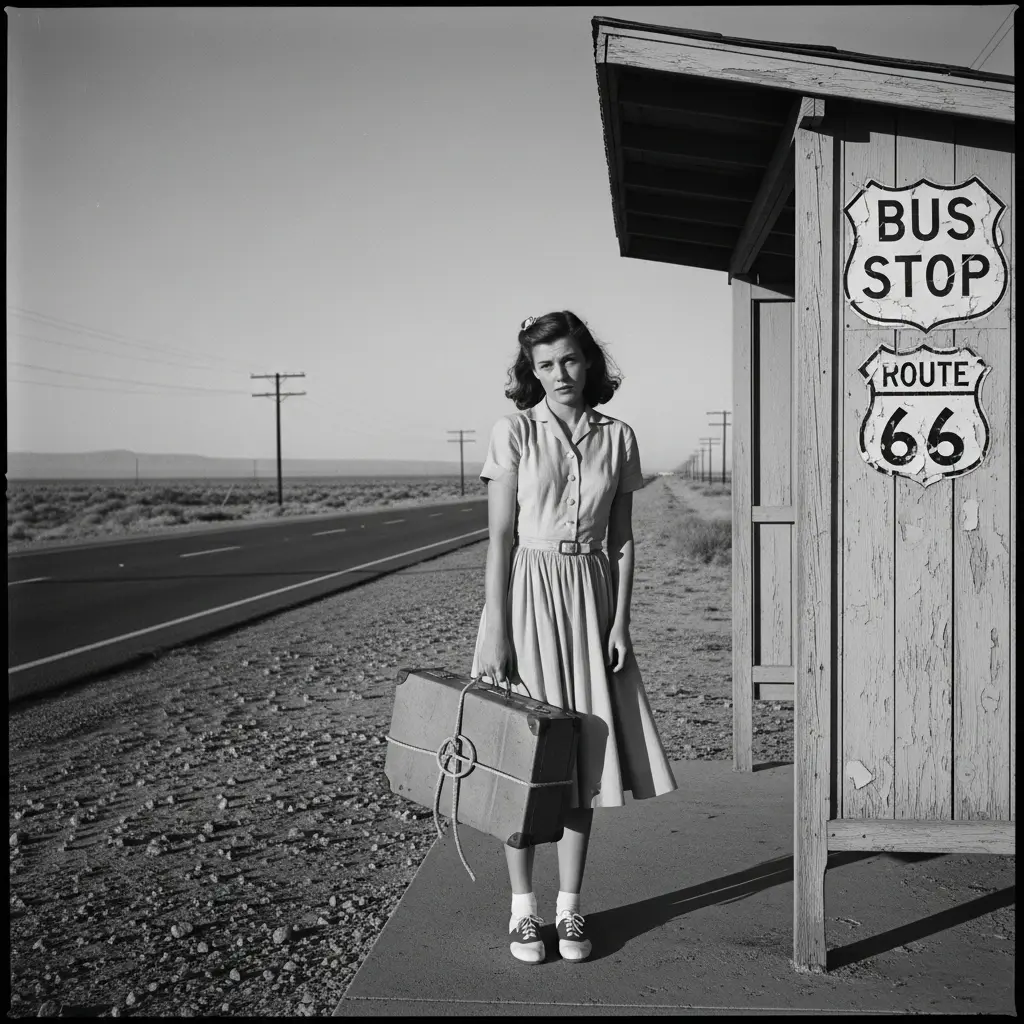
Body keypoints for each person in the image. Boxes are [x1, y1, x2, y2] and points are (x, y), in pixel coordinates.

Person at [471, 310, 677, 965]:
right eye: (545, 364)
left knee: (583, 757)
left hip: (591, 599)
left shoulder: (618, 437)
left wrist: (621, 623)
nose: (559, 374)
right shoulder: (513, 432)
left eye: (568, 359)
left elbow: (622, 541)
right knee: (523, 759)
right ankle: (522, 912)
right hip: (526, 598)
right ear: (531, 373)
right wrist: (497, 629)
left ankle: (569, 908)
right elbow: (499, 539)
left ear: (587, 360)